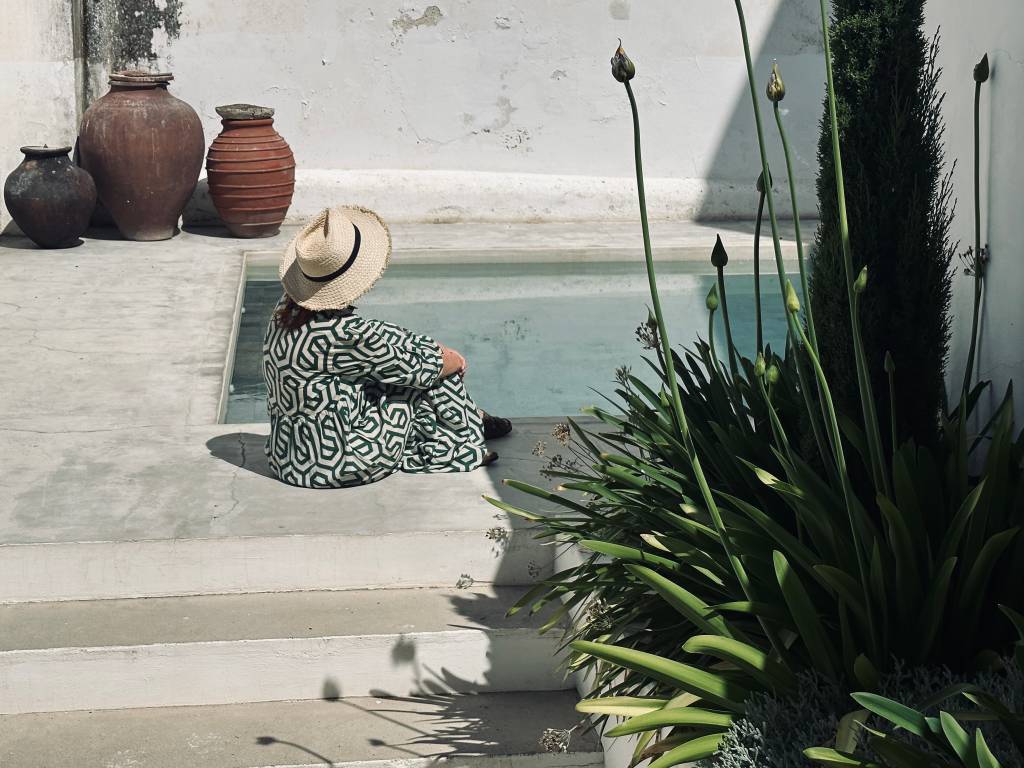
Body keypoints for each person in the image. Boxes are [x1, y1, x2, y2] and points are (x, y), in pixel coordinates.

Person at [262, 205, 511, 488]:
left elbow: (381, 338)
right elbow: (425, 369)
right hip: (339, 465)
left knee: (410, 361)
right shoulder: (345, 333)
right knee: (432, 377)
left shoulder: (286, 311)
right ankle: (467, 436)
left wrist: (429, 347)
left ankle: (473, 418)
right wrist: (450, 358)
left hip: (291, 460)